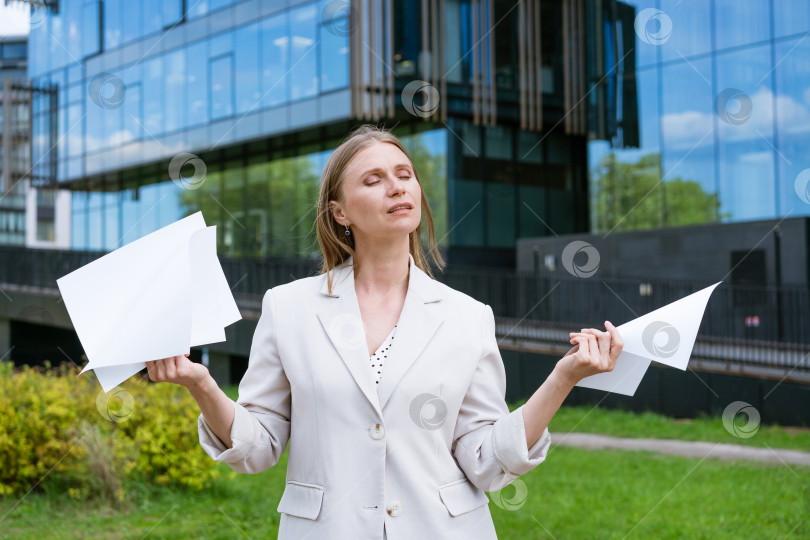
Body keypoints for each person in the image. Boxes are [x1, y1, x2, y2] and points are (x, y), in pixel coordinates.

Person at [146, 125, 623, 539]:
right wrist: (201, 383)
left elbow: (484, 460)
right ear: (340, 212)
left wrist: (563, 378)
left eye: (404, 175)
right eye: (373, 180)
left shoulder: (468, 316)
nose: (396, 187)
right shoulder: (287, 306)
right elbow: (259, 448)